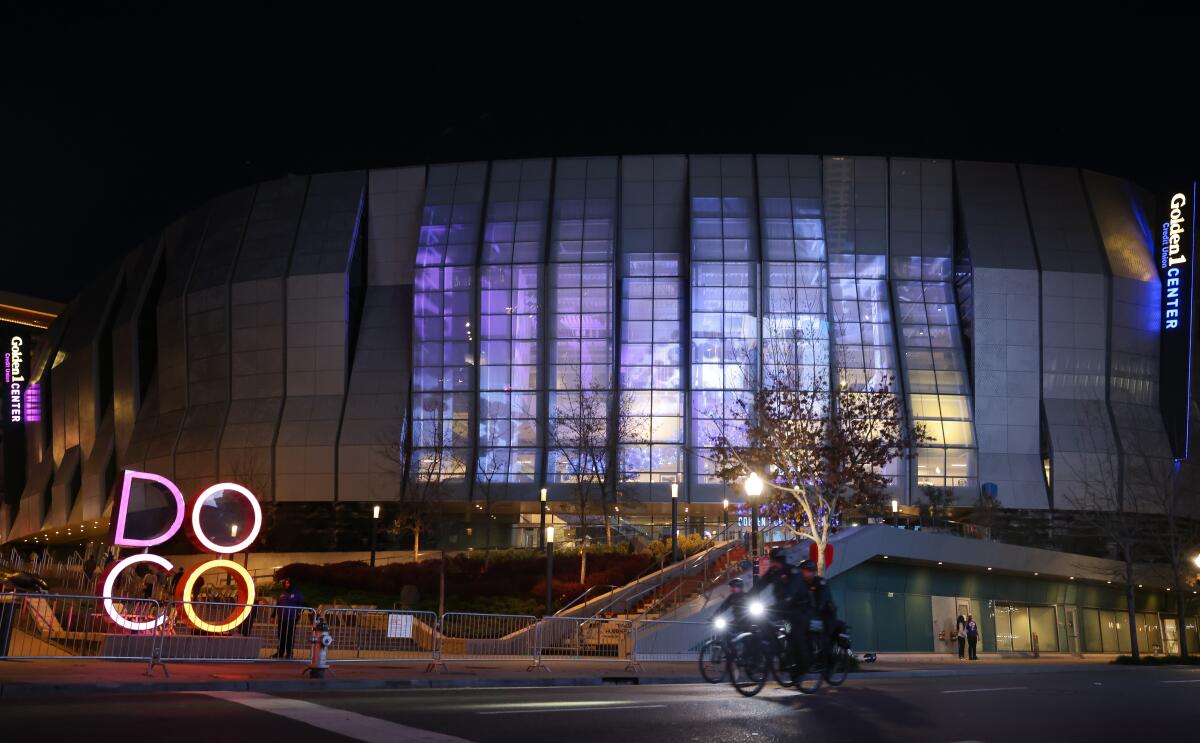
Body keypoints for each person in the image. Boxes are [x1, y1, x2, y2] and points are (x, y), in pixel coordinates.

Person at [273, 578, 305, 659]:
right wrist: (273, 615)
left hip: (291, 618)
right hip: (282, 618)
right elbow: (278, 604)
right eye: (285, 583)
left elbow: (302, 604)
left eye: (288, 583)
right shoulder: (282, 594)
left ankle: (289, 653)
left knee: (289, 636)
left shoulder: (297, 594)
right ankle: (280, 653)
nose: (286, 584)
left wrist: (298, 614)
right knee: (280, 635)